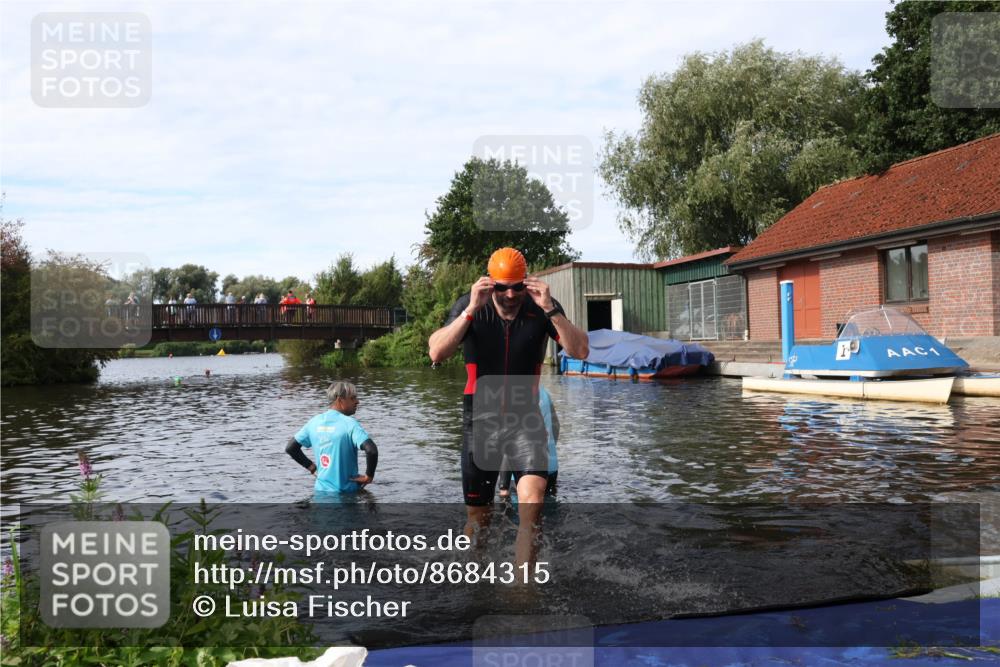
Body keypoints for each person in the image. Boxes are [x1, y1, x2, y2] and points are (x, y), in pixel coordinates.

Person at [428, 247, 588, 567]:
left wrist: (551, 310)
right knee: (478, 521)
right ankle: (474, 577)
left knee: (533, 506)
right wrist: (471, 309)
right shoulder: (471, 305)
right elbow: (436, 352)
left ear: (526, 282)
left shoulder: (541, 308)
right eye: (502, 287)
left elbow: (581, 350)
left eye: (517, 286)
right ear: (490, 284)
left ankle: (522, 589)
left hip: (525, 419)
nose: (511, 294)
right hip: (481, 420)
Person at [285, 381, 379, 495]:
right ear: (340, 400)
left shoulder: (314, 422)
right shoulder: (350, 424)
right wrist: (369, 477)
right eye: (353, 398)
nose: (357, 402)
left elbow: (291, 448)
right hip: (346, 494)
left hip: (320, 493)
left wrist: (312, 467)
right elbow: (372, 450)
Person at [498, 386, 559, 499]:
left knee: (520, 515)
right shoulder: (544, 393)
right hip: (551, 468)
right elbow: (556, 427)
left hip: (523, 474)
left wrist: (503, 486)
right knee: (548, 511)